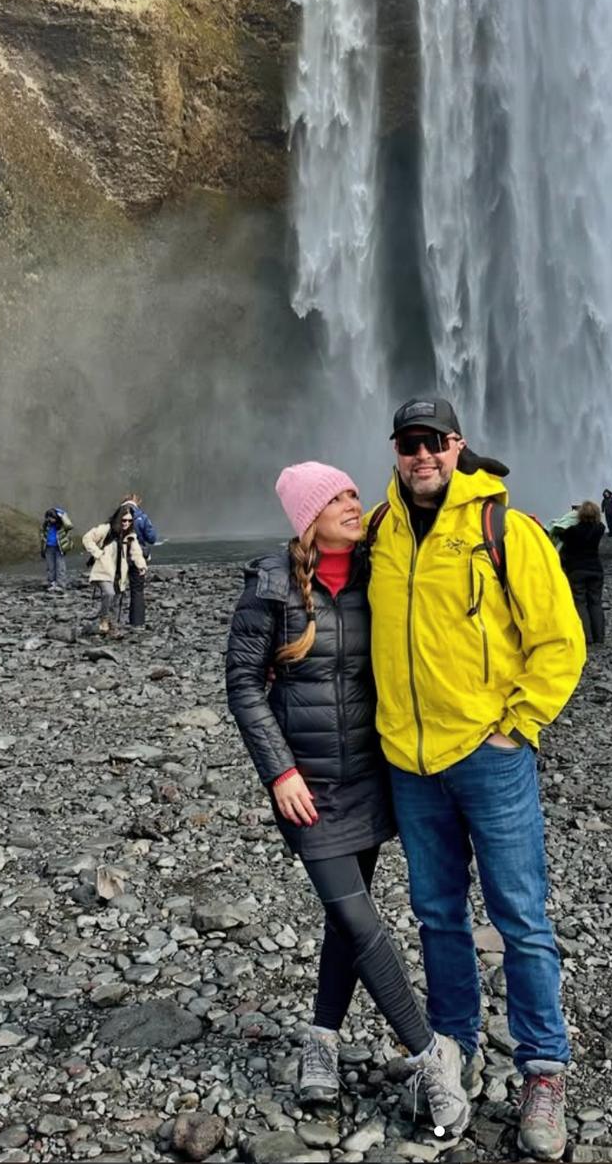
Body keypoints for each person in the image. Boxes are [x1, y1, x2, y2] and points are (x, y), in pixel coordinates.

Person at [367, 396, 586, 1162]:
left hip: (488, 757)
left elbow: (560, 640)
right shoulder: (379, 533)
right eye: (408, 442)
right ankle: (450, 1051)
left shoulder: (507, 530)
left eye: (433, 440)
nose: (421, 454)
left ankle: (544, 1070)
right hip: (410, 762)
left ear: (458, 445)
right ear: (394, 450)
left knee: (521, 916)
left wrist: (515, 728)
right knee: (436, 916)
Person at [225, 462, 469, 1138]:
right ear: (307, 514)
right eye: (335, 498)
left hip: (370, 775)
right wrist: (280, 773)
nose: (352, 503)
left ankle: (321, 1041)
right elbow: (243, 686)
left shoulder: (374, 574)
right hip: (308, 789)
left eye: (355, 492)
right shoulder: (270, 586)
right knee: (362, 922)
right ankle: (429, 1059)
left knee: (345, 920)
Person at [82, 504, 146, 635]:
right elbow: (87, 538)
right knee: (109, 593)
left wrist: (141, 566)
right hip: (103, 570)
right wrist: (98, 553)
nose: (126, 523)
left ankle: (112, 626)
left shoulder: (130, 536)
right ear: (118, 518)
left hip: (120, 573)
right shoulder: (106, 529)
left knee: (116, 600)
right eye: (124, 520)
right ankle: (104, 619)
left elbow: (136, 552)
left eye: (129, 520)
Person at [555, 500, 606, 647]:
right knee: (596, 602)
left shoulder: (572, 531)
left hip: (577, 570)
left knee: (580, 602)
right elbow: (597, 525)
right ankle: (599, 636)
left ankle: (586, 636)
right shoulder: (600, 529)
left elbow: (560, 534)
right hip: (596, 569)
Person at [119, 494, 158, 629]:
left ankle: (111, 620)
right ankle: (137, 622)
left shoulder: (115, 516)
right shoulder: (142, 517)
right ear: (137, 502)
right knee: (137, 590)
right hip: (136, 555)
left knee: (116, 587)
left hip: (119, 555)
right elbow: (152, 538)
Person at [40, 507, 73, 591]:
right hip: (48, 547)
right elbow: (42, 534)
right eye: (48, 517)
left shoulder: (62, 525)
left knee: (60, 566)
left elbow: (69, 525)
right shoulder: (46, 525)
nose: (50, 519)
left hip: (59, 548)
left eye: (51, 517)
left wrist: (62, 514)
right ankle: (52, 582)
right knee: (50, 566)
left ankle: (61, 584)